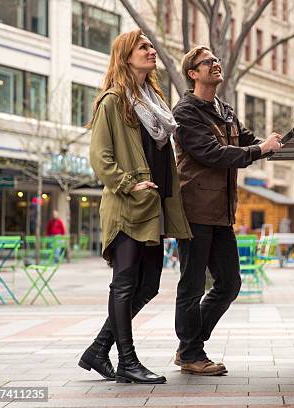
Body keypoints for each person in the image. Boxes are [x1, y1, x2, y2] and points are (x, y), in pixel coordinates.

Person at [81, 29, 192, 384]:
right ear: (125, 56)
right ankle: (127, 361)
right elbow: (100, 158)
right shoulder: (113, 101)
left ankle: (99, 349)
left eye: (150, 45)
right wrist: (130, 183)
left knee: (149, 285)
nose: (151, 50)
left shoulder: (152, 100)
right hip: (129, 206)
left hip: (155, 206)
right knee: (125, 284)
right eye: (142, 46)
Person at [172, 46, 282, 375]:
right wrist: (259, 149)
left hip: (221, 211)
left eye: (216, 60)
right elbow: (214, 154)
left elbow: (247, 140)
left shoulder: (224, 109)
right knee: (192, 284)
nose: (216, 64)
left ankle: (188, 346)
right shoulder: (186, 112)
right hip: (195, 208)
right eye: (208, 62)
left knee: (230, 283)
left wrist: (274, 142)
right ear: (193, 73)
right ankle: (192, 353)